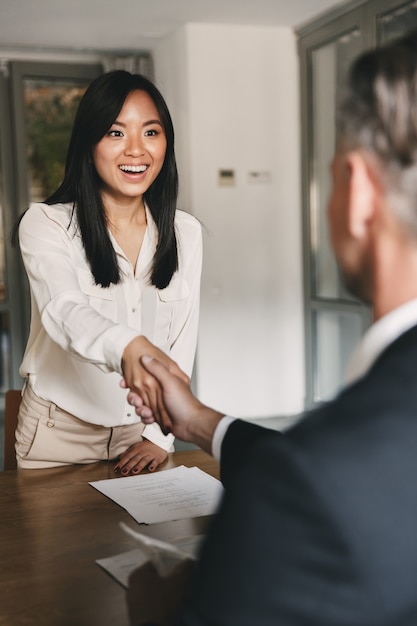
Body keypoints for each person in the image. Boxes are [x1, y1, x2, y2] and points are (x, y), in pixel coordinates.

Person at [126, 30, 417, 625]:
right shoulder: (331, 470)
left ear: (357, 190)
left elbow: (329, 481)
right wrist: (201, 422)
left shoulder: (309, 491)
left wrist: (163, 608)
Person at [14, 70, 202, 474]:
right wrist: (128, 345)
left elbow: (182, 339)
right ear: (89, 143)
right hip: (57, 435)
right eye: (116, 133)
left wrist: (158, 436)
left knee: (151, 539)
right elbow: (63, 311)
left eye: (151, 133)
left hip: (143, 432)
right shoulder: (46, 224)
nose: (136, 150)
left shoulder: (185, 232)